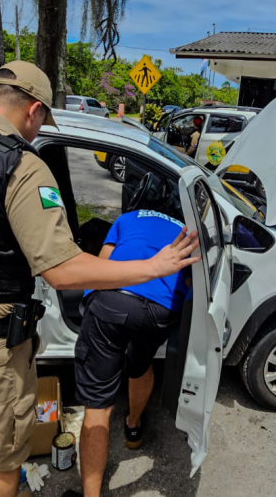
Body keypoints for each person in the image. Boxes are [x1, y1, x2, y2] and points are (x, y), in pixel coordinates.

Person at [0, 60, 200, 497]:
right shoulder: (18, 165)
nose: (35, 133)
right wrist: (154, 267)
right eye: (40, 123)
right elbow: (61, 270)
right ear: (34, 110)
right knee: (2, 458)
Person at [65, 206, 192, 497]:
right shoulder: (185, 231)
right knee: (141, 363)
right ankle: (133, 427)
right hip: (159, 309)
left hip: (113, 301)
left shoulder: (127, 219)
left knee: (98, 406)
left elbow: (102, 264)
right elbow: (188, 282)